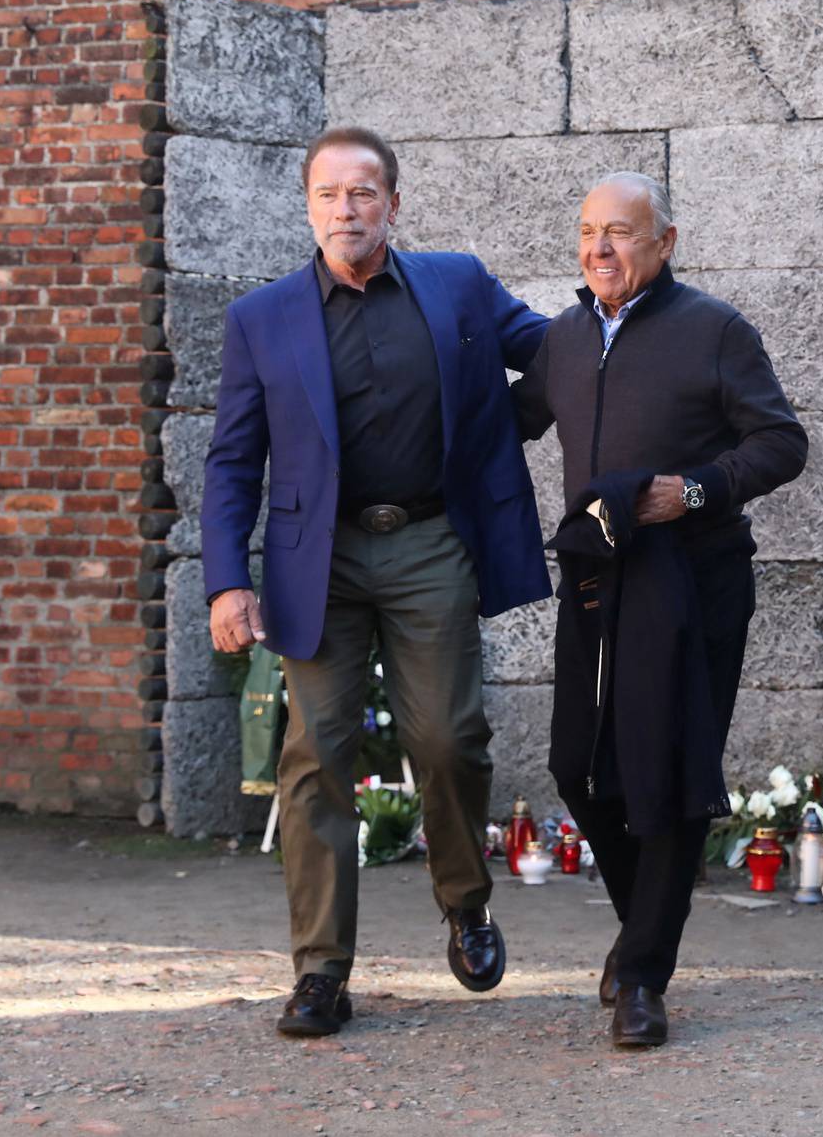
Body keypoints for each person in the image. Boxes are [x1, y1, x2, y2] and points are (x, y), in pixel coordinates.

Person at [200, 126, 550, 1038]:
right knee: (315, 757)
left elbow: (552, 356)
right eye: (329, 194)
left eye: (363, 193)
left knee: (449, 739)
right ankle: (320, 973)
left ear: (394, 202)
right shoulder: (262, 317)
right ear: (308, 205)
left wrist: (506, 431)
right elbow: (233, 463)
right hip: (318, 562)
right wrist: (226, 582)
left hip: (431, 542)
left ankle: (466, 903)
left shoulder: (458, 284)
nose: (346, 210)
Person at [514, 171, 808, 1048]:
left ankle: (643, 974)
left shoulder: (715, 330)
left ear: (665, 242)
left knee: (672, 777)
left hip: (694, 580)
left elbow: (781, 441)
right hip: (597, 579)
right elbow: (505, 425)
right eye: (587, 232)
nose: (600, 249)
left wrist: (700, 491)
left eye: (622, 233)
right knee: (578, 766)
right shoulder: (561, 340)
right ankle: (640, 929)